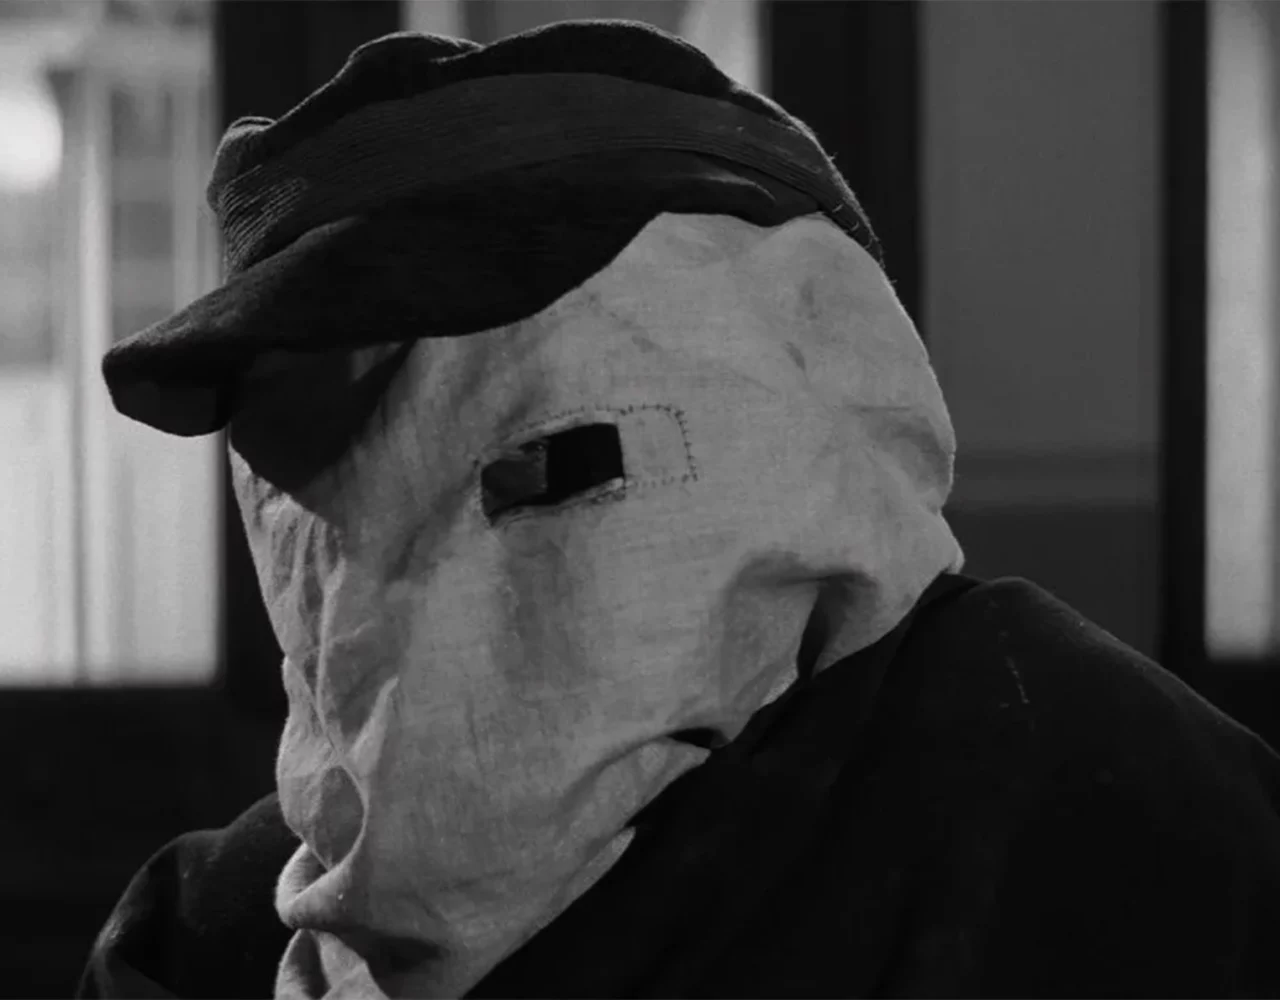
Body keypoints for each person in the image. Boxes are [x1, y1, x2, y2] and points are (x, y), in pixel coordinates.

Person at [79, 19, 1280, 1000]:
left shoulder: (1090, 808)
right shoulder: (205, 931)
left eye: (546, 468)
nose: (420, 582)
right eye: (325, 503)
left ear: (811, 391)